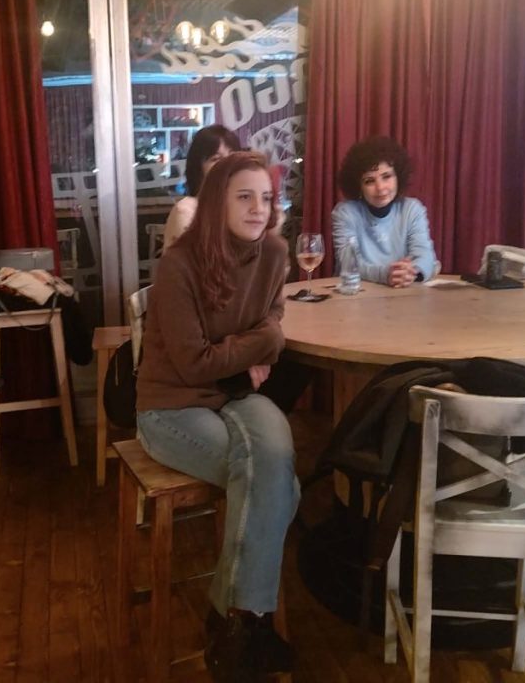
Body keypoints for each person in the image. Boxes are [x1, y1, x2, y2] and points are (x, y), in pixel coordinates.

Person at [136, 150, 298, 681]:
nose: (258, 209)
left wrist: (261, 339)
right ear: (216, 203)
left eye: (266, 198)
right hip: (171, 403)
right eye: (244, 197)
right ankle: (247, 627)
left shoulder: (275, 252)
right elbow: (193, 364)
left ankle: (232, 622)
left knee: (275, 466)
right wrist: (262, 344)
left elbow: (273, 313)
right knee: (279, 484)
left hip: (236, 394)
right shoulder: (179, 264)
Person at [331, 136, 437, 287]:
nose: (380, 188)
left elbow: (425, 255)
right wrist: (386, 274)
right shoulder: (345, 213)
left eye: (386, 177)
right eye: (369, 181)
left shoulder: (412, 209)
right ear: (358, 186)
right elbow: (348, 263)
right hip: (355, 293)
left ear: (398, 177)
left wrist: (411, 273)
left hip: (402, 292)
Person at [162, 124, 241, 248]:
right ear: (199, 167)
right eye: (216, 159)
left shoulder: (242, 208)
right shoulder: (187, 212)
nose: (227, 164)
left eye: (232, 156)